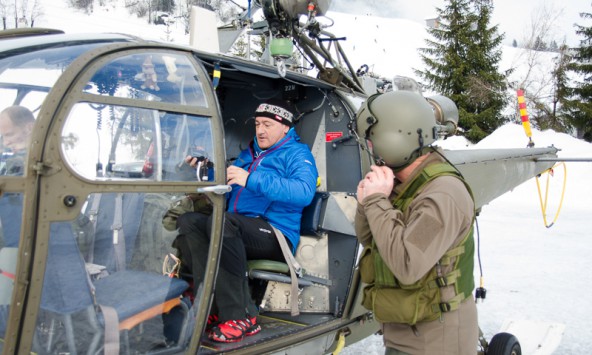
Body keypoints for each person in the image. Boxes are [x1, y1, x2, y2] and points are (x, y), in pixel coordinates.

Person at [172, 98, 318, 343]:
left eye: (268, 125)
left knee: (224, 223)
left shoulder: (297, 154)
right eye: (258, 124)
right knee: (189, 222)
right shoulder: (249, 153)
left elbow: (303, 191)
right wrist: (203, 169)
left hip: (275, 234)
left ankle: (241, 315)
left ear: (285, 128)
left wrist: (251, 179)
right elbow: (229, 178)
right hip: (239, 226)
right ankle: (210, 303)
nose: (260, 130)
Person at [354, 91, 477, 355]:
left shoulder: (443, 195)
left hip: (434, 343)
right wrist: (368, 203)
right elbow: (371, 240)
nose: (369, 148)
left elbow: (408, 263)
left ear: (392, 139)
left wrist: (376, 202)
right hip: (407, 331)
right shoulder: (403, 183)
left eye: (371, 140)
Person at [0, 105, 35, 176]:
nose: (5, 143)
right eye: (2, 136)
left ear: (29, 128)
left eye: (9, 135)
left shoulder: (25, 162)